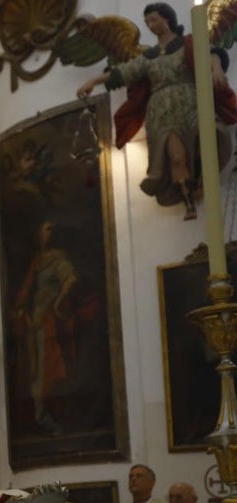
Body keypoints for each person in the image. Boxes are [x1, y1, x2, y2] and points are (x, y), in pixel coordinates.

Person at [74, 3, 236, 220]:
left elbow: (210, 52)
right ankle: (188, 203)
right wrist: (94, 81)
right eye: (148, 21)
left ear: (167, 19)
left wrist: (216, 69)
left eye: (154, 19)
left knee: (207, 138)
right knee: (177, 158)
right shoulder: (148, 57)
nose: (151, 25)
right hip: (162, 113)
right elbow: (123, 72)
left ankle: (200, 180)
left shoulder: (186, 43)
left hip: (191, 101)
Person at [12, 220, 77, 436]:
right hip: (32, 322)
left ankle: (44, 415)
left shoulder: (58, 258)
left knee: (46, 371)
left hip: (46, 320)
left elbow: (70, 279)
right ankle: (38, 416)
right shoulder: (36, 261)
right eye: (46, 228)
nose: (50, 232)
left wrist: (58, 302)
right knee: (33, 372)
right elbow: (27, 291)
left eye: (51, 228)